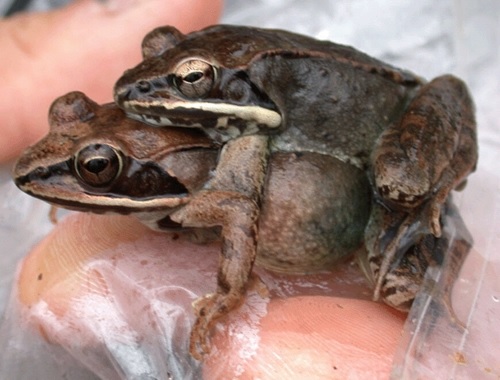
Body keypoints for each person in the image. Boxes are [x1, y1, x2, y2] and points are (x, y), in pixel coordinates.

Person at [1, 1, 405, 378]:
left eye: (97, 168)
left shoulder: (241, 152)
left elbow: (235, 208)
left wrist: (229, 294)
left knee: (399, 282)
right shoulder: (214, 126)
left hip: (375, 192)